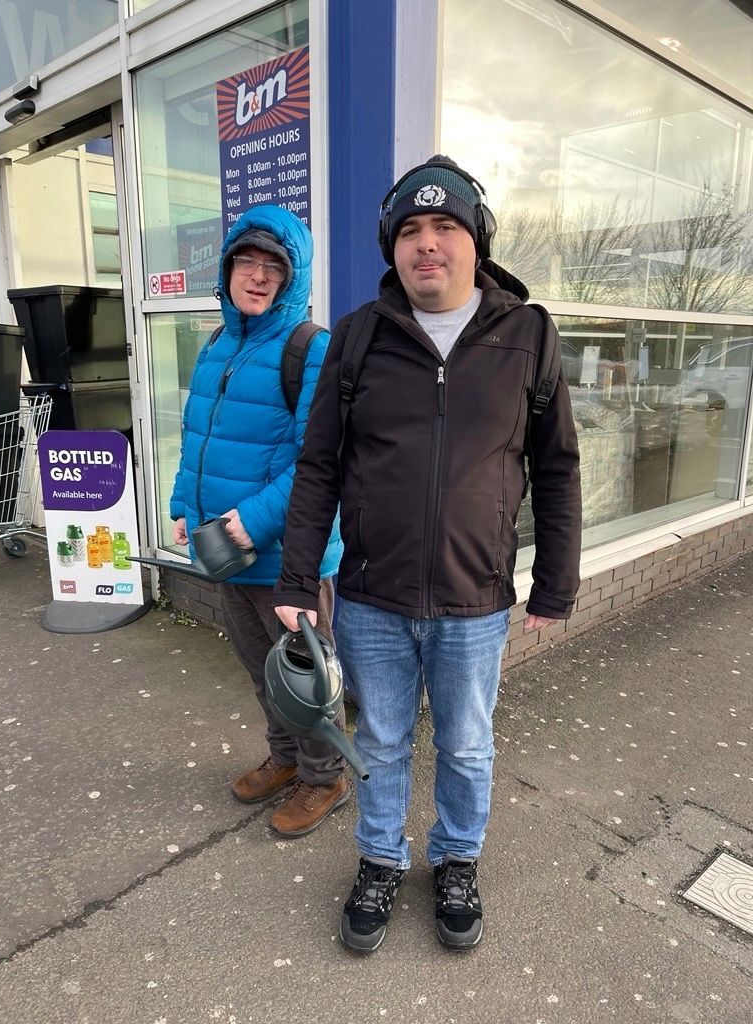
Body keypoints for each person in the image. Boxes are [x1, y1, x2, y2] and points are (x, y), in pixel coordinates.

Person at [273, 156, 582, 952]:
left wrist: (556, 585)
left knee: (468, 744)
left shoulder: (528, 334)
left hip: (475, 601)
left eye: (446, 227)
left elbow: (555, 467)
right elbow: (318, 465)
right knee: (378, 741)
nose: (428, 244)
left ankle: (455, 859)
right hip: (371, 595)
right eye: (410, 230)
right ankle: (380, 858)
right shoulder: (359, 336)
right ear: (393, 248)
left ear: (476, 241)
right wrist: (299, 578)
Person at [170, 204, 347, 838]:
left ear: (293, 277)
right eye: (247, 261)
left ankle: (324, 777)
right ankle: (285, 757)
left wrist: (250, 521)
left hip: (286, 558)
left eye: (275, 265)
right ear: (228, 268)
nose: (258, 275)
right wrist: (182, 508)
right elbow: (199, 436)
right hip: (225, 549)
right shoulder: (218, 343)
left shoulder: (311, 349)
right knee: (259, 668)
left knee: (306, 676)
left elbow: (320, 463)